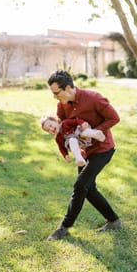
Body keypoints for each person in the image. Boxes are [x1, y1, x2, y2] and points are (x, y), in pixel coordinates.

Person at [46, 70, 122, 241]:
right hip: (84, 152)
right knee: (88, 188)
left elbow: (114, 118)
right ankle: (113, 220)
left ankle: (64, 227)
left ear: (67, 88)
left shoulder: (93, 98)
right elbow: (66, 129)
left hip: (102, 149)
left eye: (56, 93)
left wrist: (95, 131)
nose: (54, 97)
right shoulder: (61, 106)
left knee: (81, 185)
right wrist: (72, 147)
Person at [40, 115, 106, 167]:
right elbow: (61, 148)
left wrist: (82, 123)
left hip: (83, 136)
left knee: (82, 131)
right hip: (78, 144)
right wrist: (65, 155)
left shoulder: (65, 123)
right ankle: (79, 158)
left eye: (51, 125)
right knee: (72, 140)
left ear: (56, 120)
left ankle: (96, 134)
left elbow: (76, 121)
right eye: (48, 130)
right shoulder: (57, 138)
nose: (51, 129)